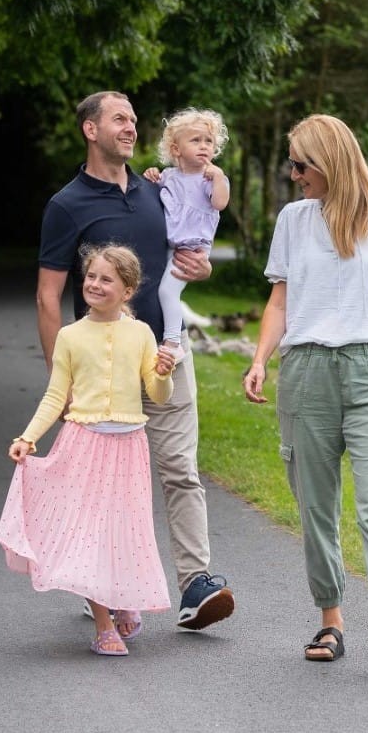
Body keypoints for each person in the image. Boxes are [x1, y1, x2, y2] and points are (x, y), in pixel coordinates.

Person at [37, 90, 234, 633]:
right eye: (119, 119)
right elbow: (48, 296)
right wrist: (62, 375)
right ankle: (100, 581)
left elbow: (188, 250)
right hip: (103, 365)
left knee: (180, 469)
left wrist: (202, 271)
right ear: (90, 130)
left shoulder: (156, 191)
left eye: (133, 119)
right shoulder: (67, 204)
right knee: (106, 481)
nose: (130, 127)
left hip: (166, 353)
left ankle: (196, 583)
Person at [242, 114, 368, 675]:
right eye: (291, 164)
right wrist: (260, 359)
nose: (294, 174)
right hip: (307, 371)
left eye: (301, 164)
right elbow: (280, 301)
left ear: (332, 162)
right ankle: (331, 619)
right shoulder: (293, 220)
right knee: (315, 506)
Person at [0, 244, 176, 656]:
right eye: (91, 276)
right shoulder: (71, 336)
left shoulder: (142, 333)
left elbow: (158, 395)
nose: (94, 284)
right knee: (91, 531)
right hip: (83, 444)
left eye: (106, 279)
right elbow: (56, 395)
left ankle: (125, 597)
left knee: (125, 526)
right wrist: (28, 436)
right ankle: (103, 622)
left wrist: (165, 372)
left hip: (129, 445)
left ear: (127, 290)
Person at [146, 108, 230, 371]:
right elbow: (155, 194)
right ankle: (163, 337)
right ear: (176, 149)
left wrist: (218, 178)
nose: (204, 146)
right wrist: (151, 176)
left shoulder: (211, 178)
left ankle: (173, 343)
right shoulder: (169, 176)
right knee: (160, 289)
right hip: (172, 245)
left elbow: (220, 203)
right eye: (195, 140)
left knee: (167, 291)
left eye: (209, 141)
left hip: (192, 249)